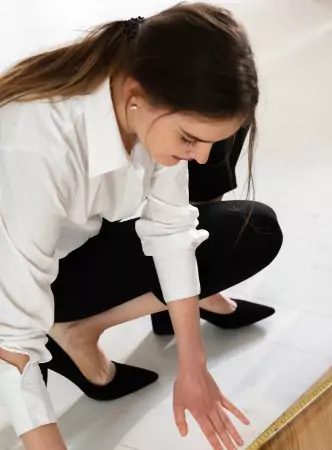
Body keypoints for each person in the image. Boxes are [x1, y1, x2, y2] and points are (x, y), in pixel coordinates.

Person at [0, 3, 283, 450]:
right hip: (13, 277)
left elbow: (170, 230)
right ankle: (71, 331)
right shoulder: (37, 149)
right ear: (136, 95)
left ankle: (76, 327)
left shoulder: (145, 104)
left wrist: (194, 366)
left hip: (68, 245)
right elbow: (11, 341)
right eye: (190, 138)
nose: (203, 157)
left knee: (252, 228)